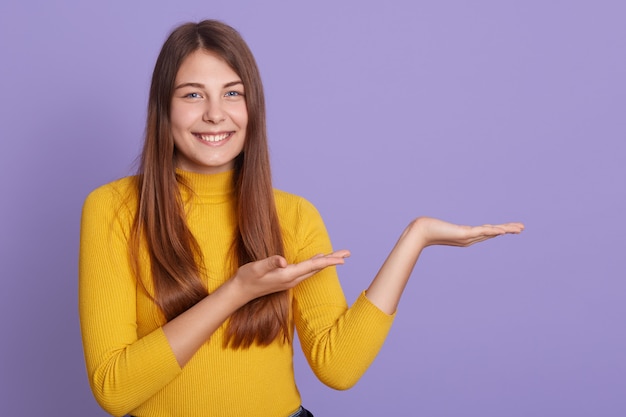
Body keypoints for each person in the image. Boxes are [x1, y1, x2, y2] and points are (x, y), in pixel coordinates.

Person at [78, 20, 524, 417]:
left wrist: (417, 237)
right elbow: (114, 391)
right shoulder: (113, 209)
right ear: (164, 108)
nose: (215, 113)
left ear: (253, 108)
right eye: (193, 95)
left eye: (233, 93)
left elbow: (338, 366)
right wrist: (236, 292)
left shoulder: (292, 215)